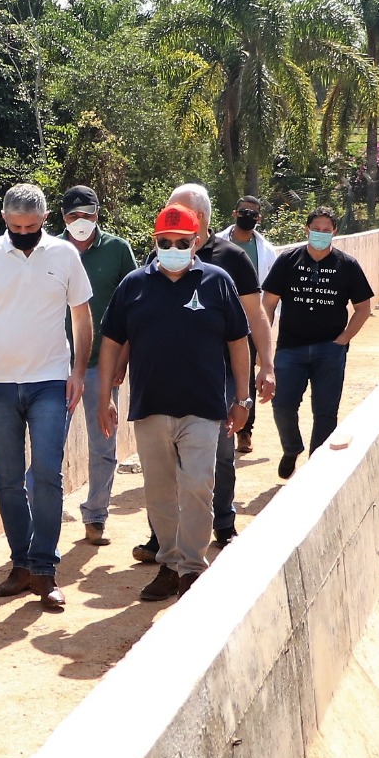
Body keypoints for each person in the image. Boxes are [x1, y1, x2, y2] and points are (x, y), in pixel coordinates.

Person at [0, 183, 93, 610]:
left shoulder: (64, 255)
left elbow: (82, 317)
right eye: (16, 226)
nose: (23, 233)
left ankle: (45, 570)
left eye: (30, 226)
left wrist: (78, 372)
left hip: (50, 381)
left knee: (47, 474)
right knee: (8, 481)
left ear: (44, 219)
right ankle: (21, 564)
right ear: (4, 220)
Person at [97, 204, 252, 600]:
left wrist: (243, 398)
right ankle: (168, 565)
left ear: (196, 242)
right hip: (150, 406)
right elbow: (112, 340)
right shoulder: (134, 285)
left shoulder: (217, 282)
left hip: (203, 407)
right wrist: (105, 397)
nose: (172, 249)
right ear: (155, 241)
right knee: (160, 492)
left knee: (198, 484)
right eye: (164, 242)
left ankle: (192, 569)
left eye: (181, 243)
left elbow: (238, 341)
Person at [132, 183, 275, 560]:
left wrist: (266, 365)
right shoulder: (159, 254)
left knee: (221, 450)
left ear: (199, 218)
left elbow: (255, 314)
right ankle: (162, 536)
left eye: (177, 211)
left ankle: (223, 523)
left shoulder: (231, 258)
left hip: (219, 371)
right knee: (164, 460)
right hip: (167, 372)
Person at [261, 206, 374, 479]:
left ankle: (315, 468)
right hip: (290, 348)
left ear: (334, 232)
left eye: (326, 230)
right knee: (282, 405)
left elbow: (363, 308)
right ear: (306, 230)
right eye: (316, 230)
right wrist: (264, 344)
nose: (320, 234)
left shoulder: (347, 265)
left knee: (325, 412)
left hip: (329, 350)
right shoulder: (288, 261)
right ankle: (291, 448)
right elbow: (268, 303)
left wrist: (342, 340)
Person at [59, 184, 139, 546]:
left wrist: (122, 359)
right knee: (50, 446)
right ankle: (42, 520)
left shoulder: (118, 250)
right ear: (63, 217)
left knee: (104, 444)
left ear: (97, 214)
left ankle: (95, 516)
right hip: (56, 366)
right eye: (73, 215)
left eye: (87, 214)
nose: (81, 221)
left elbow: (133, 307)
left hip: (102, 366)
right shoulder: (50, 251)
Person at [216, 195, 278, 453]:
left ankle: (245, 431)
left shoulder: (266, 251)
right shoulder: (219, 243)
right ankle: (220, 427)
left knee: (247, 377)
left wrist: (265, 333)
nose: (247, 217)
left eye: (253, 214)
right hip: (219, 322)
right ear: (235, 213)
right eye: (243, 212)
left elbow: (271, 296)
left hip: (249, 323)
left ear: (259, 218)